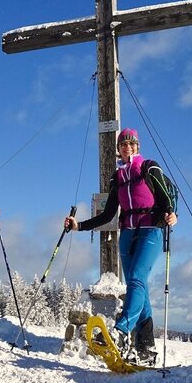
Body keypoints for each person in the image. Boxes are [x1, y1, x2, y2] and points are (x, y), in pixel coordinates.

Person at [64, 128, 176, 365]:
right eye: (123, 144)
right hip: (127, 233)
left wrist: (171, 214)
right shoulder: (118, 177)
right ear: (118, 148)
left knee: (137, 277)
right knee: (139, 286)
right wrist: (79, 226)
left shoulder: (149, 167)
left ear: (137, 146)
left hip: (151, 228)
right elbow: (107, 215)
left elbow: (168, 195)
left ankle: (121, 331)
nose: (127, 147)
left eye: (131, 143)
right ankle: (146, 348)